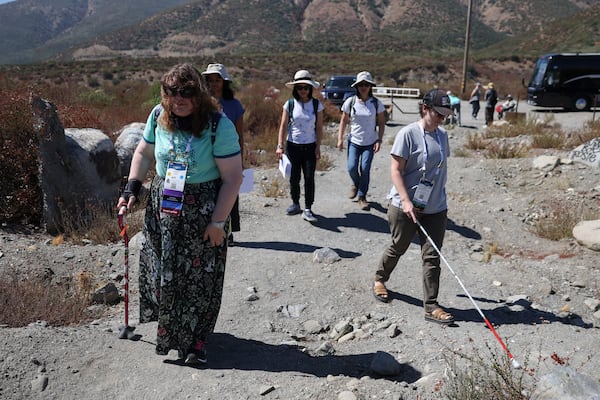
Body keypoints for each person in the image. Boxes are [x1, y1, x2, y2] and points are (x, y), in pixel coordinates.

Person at [116, 63, 242, 364]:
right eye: (172, 93)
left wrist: (218, 222)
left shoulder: (218, 125)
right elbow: (144, 153)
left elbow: (233, 178)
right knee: (163, 270)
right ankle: (172, 330)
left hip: (203, 209)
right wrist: (131, 188)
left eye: (187, 92)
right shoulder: (158, 117)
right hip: (164, 205)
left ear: (199, 93)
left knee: (200, 277)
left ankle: (196, 342)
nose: (179, 99)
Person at [372, 88, 454, 325]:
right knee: (399, 245)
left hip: (435, 207)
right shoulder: (407, 134)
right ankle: (380, 279)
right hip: (404, 206)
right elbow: (396, 170)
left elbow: (438, 169)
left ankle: (431, 306)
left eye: (445, 115)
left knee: (432, 257)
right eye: (438, 114)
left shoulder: (443, 136)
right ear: (425, 108)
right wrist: (407, 200)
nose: (441, 119)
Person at [201, 63, 245, 246]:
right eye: (209, 80)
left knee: (230, 192)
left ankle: (228, 230)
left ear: (224, 82)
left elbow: (239, 135)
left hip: (229, 157)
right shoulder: (200, 104)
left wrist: (241, 160)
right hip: (206, 157)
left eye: (217, 79)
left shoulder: (234, 105)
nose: (213, 83)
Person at [276, 69, 324, 223]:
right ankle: (295, 203)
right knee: (294, 177)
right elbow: (283, 126)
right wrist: (279, 145)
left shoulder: (317, 105)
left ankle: (308, 207)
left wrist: (318, 147)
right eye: (300, 87)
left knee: (309, 178)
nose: (303, 90)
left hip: (310, 146)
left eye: (306, 87)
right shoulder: (289, 104)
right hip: (293, 146)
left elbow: (319, 128)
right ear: (295, 89)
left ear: (310, 88)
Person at [337, 71, 386, 211]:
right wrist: (340, 138)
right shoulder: (350, 102)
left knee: (365, 169)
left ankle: (362, 196)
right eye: (361, 85)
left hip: (369, 142)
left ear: (370, 86)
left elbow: (382, 122)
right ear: (357, 86)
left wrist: (379, 140)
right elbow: (343, 121)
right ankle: (356, 184)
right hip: (354, 141)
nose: (363, 87)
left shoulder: (376, 103)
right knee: (352, 167)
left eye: (366, 84)